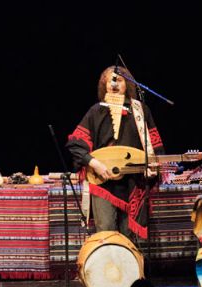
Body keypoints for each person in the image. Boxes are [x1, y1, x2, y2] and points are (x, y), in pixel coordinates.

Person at [66, 65, 165, 240]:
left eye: (118, 80)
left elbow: (154, 146)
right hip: (103, 181)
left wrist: (153, 168)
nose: (114, 84)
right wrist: (94, 163)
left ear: (127, 84)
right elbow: (75, 144)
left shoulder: (140, 110)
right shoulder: (96, 111)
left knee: (129, 237)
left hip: (133, 181)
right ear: (103, 85)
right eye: (110, 80)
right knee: (106, 234)